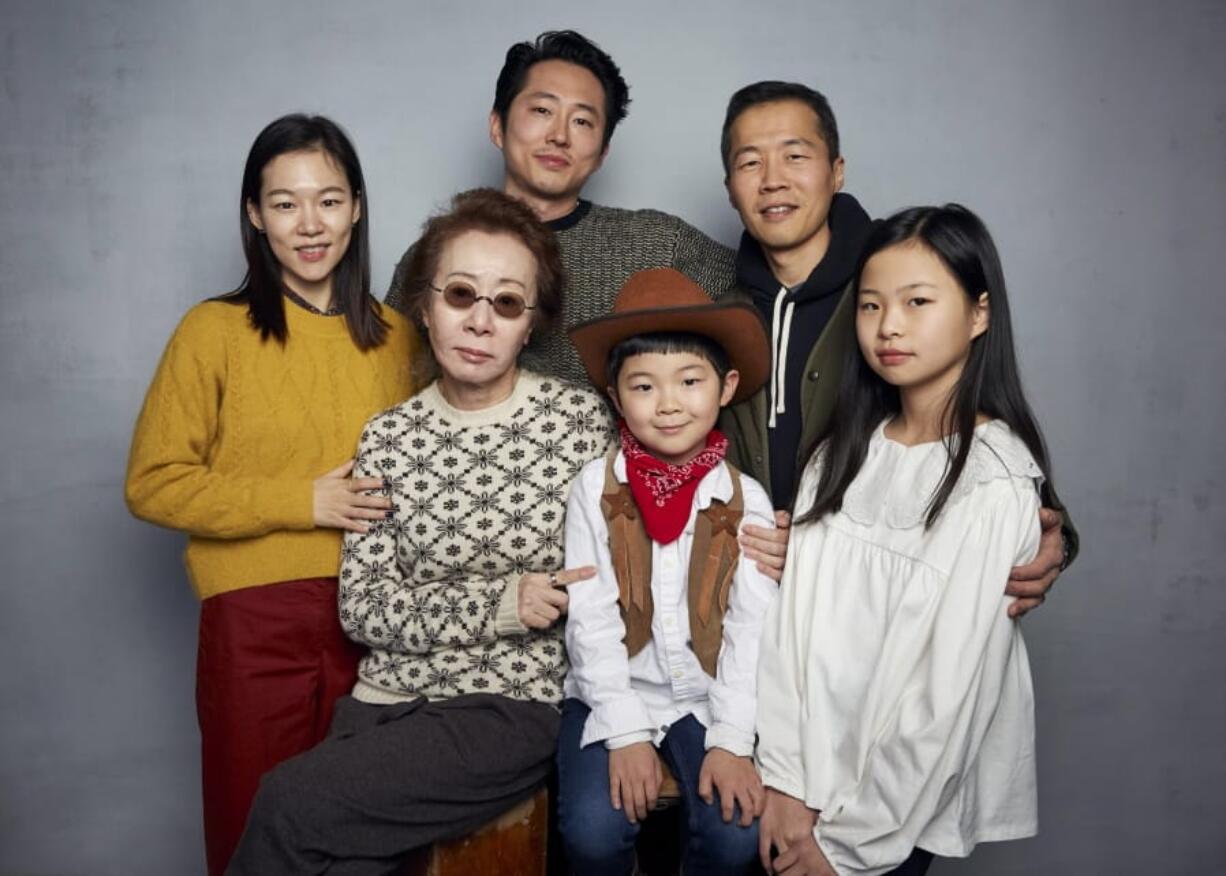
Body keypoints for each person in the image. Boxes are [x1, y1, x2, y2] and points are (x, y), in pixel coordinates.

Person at [228, 188, 615, 874]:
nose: (479, 321)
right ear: (427, 305)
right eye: (461, 294)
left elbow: (605, 580)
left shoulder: (579, 423)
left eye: (506, 303)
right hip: (383, 703)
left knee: (285, 803)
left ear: (531, 325)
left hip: (506, 706)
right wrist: (502, 603)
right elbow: (366, 607)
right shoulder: (388, 439)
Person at [124, 114, 418, 875]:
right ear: (254, 215)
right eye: (284, 203)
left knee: (369, 838)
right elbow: (152, 483)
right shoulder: (212, 331)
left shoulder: (401, 338)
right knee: (253, 825)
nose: (309, 224)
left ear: (357, 205)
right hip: (253, 618)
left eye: (328, 200)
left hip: (382, 620)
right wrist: (303, 502)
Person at [755, 204, 1060, 876]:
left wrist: (846, 848)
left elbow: (947, 696)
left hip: (892, 814)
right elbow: (791, 631)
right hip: (801, 780)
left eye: (918, 302)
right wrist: (782, 780)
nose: (888, 326)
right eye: (870, 306)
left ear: (979, 314)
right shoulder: (838, 454)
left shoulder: (993, 479)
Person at [717, 80, 1074, 614]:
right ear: (729, 187)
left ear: (837, 170)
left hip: (883, 610)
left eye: (795, 155)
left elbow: (982, 402)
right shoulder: (719, 310)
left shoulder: (901, 274)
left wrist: (1052, 531)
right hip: (750, 609)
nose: (772, 180)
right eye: (750, 163)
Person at [557, 268, 778, 875]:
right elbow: (591, 616)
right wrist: (623, 731)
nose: (670, 403)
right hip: (616, 689)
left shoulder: (747, 499)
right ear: (614, 395)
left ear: (726, 386)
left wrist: (732, 740)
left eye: (689, 381)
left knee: (736, 837)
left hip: (708, 701)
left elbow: (750, 627)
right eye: (644, 386)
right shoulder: (592, 489)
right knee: (593, 834)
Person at [384, 30, 737, 388]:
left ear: (602, 153)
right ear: (497, 126)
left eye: (582, 121)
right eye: (542, 110)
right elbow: (387, 374)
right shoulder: (439, 253)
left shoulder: (658, 243)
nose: (559, 135)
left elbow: (764, 305)